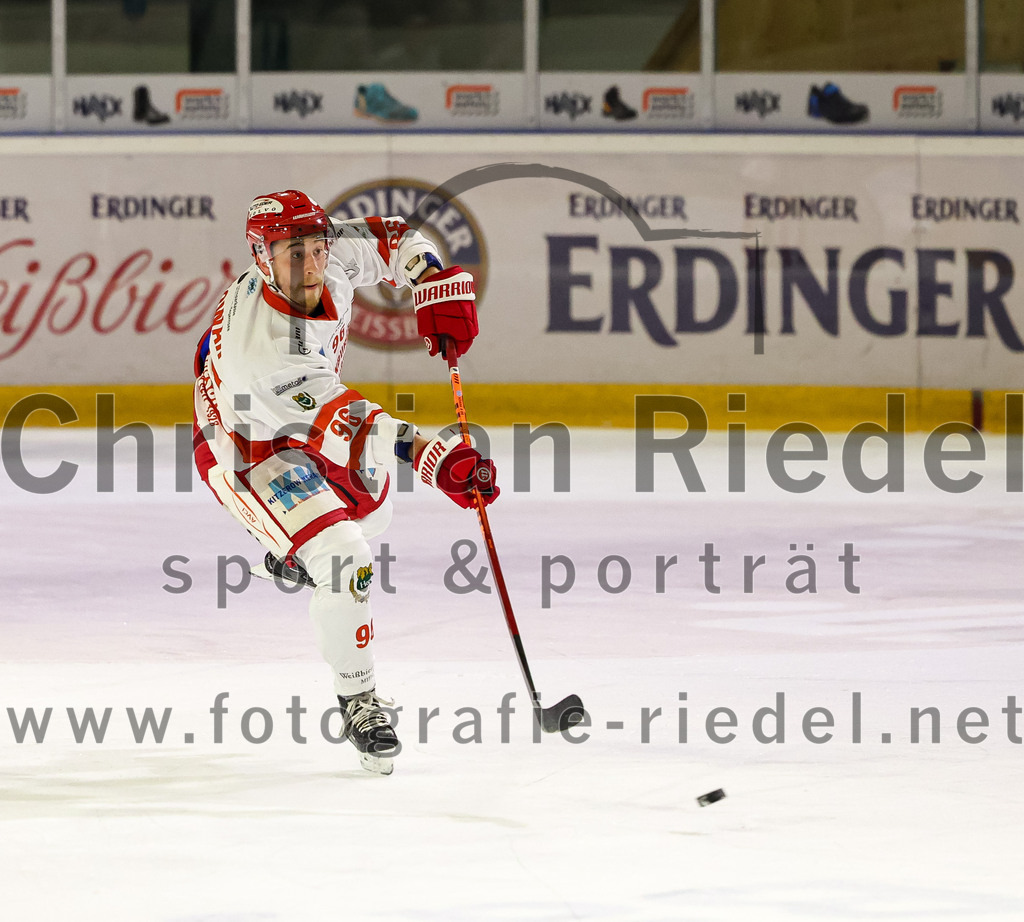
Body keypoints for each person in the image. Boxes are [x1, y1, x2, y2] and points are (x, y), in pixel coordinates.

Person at [192, 190, 498, 774]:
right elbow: (352, 424)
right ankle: (359, 699)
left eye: (315, 248)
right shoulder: (264, 353)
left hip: (300, 418)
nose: (310, 266)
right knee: (345, 555)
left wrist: (431, 280)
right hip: (244, 447)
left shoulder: (329, 253)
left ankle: (292, 551)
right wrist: (437, 458)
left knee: (374, 508)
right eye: (291, 254)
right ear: (263, 256)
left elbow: (392, 237)